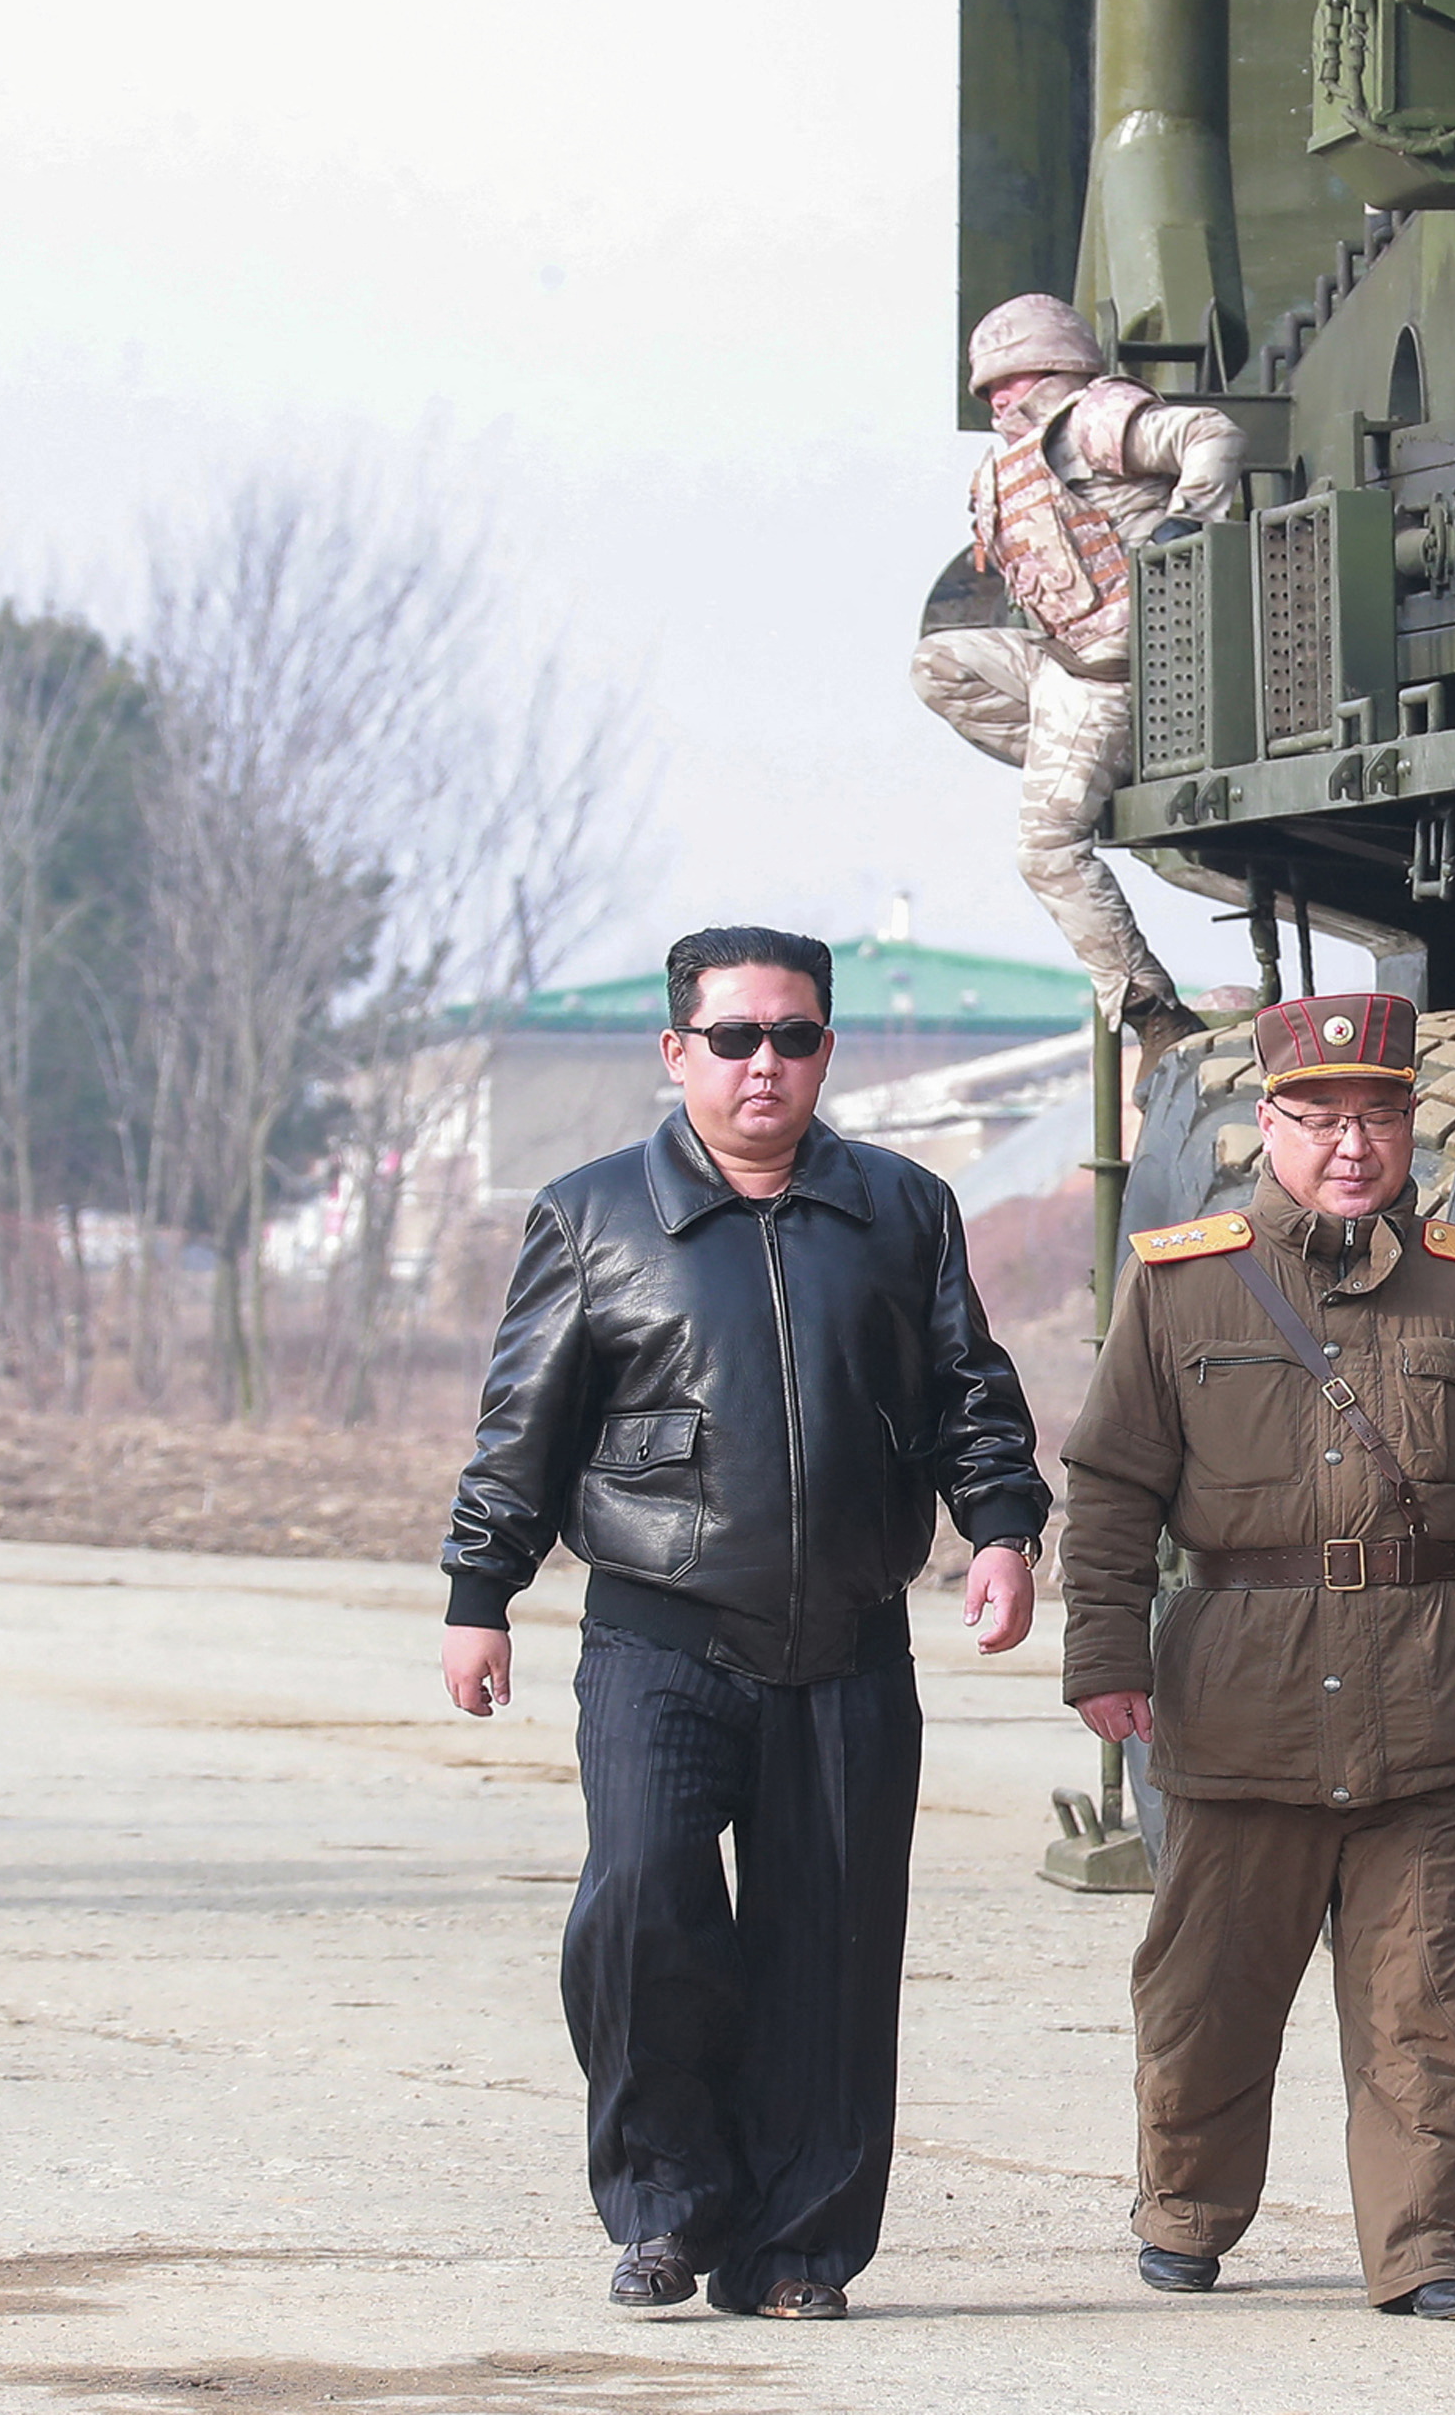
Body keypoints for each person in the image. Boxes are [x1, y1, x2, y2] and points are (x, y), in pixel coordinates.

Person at [440, 924, 1048, 2323]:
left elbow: (970, 1394)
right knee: (641, 1906)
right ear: (677, 1052)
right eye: (732, 1038)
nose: (762, 1063)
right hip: (659, 1636)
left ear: (826, 1049)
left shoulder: (902, 1209)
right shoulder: (592, 1215)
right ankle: (665, 2209)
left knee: (832, 1948)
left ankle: (794, 2250)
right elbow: (522, 1427)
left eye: (792, 1036)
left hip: (848, 1643)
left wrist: (1003, 1531)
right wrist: (483, 1594)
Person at [1058, 990, 1455, 2320]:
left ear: (1410, 1125)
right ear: (1268, 1126)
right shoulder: (1182, 1284)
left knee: (1426, 2005)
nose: (1351, 1144)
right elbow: (1111, 1489)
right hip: (1239, 1698)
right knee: (1207, 1991)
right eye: (1319, 1118)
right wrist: (1104, 1651)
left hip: (1422, 1695)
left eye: (1376, 1116)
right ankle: (1187, 2208)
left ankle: (1426, 2249)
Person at [913, 294, 1241, 1068]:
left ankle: (1151, 1012)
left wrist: (1187, 521)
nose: (998, 399)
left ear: (1056, 367)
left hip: (1122, 673)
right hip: (1066, 662)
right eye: (987, 387)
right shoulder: (1005, 468)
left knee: (1047, 847)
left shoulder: (1095, 420)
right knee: (938, 665)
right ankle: (1088, 766)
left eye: (1011, 378)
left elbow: (1211, 433)